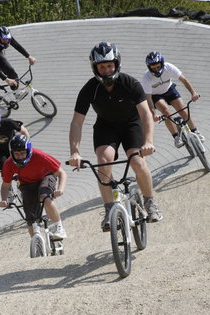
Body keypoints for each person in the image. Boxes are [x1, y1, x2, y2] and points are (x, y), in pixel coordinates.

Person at [68, 41, 162, 231]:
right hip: (106, 126)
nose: (106, 70)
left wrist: (148, 141)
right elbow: (77, 122)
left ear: (117, 64)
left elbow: (145, 115)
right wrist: (75, 152)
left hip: (131, 124)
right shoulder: (89, 89)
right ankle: (109, 209)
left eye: (110, 65)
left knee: (137, 162)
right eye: (102, 66)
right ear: (95, 68)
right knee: (103, 162)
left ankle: (150, 202)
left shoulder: (130, 83)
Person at [0, 135, 67, 239]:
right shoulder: (9, 163)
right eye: (16, 154)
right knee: (30, 218)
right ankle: (36, 243)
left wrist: (60, 189)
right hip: (27, 184)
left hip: (45, 177)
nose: (20, 156)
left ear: (28, 150)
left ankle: (59, 228)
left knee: (44, 197)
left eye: (22, 153)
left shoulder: (39, 155)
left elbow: (62, 173)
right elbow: (5, 185)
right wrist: (4, 200)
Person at [141, 51, 203, 148]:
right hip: (156, 95)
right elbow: (148, 99)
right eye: (153, 68)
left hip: (169, 90)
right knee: (166, 113)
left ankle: (195, 131)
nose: (156, 70)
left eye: (158, 67)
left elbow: (184, 80)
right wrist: (153, 114)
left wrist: (193, 93)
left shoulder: (169, 67)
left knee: (182, 110)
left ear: (162, 63)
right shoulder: (146, 77)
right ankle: (176, 137)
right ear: (149, 67)